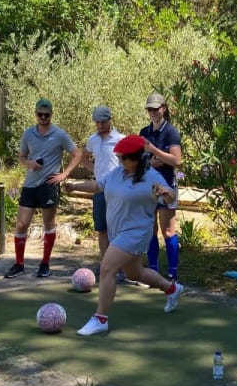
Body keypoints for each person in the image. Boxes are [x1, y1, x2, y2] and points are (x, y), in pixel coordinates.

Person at [63, 134, 183, 335]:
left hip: (136, 233)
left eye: (124, 158)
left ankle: (100, 319)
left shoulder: (152, 177)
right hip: (118, 231)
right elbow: (98, 186)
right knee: (134, 273)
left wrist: (165, 192)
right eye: (119, 157)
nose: (120, 160)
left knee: (107, 267)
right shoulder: (118, 172)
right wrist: (75, 186)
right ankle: (172, 289)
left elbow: (170, 195)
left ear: (138, 158)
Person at [4, 99, 82, 279]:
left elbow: (77, 154)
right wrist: (30, 163)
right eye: (40, 114)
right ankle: (19, 264)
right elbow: (22, 157)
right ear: (35, 114)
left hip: (49, 185)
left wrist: (64, 175)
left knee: (49, 224)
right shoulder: (28, 134)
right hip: (30, 185)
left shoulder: (60, 134)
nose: (43, 117)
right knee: (21, 224)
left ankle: (45, 264)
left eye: (46, 115)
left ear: (51, 115)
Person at [139, 92, 183, 281]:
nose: (153, 112)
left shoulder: (171, 132)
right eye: (150, 109)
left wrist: (155, 152)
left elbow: (177, 160)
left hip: (167, 186)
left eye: (156, 109)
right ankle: (153, 270)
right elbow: (140, 159)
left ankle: (173, 273)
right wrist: (151, 161)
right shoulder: (144, 132)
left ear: (163, 108)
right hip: (148, 186)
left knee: (168, 231)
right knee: (150, 230)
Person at [82, 105, 124, 259]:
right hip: (99, 189)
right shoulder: (92, 140)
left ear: (110, 120)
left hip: (117, 190)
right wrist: (96, 171)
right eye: (97, 122)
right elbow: (84, 157)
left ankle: (119, 264)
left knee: (117, 229)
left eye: (103, 122)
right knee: (102, 228)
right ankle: (105, 263)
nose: (100, 126)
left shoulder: (120, 139)